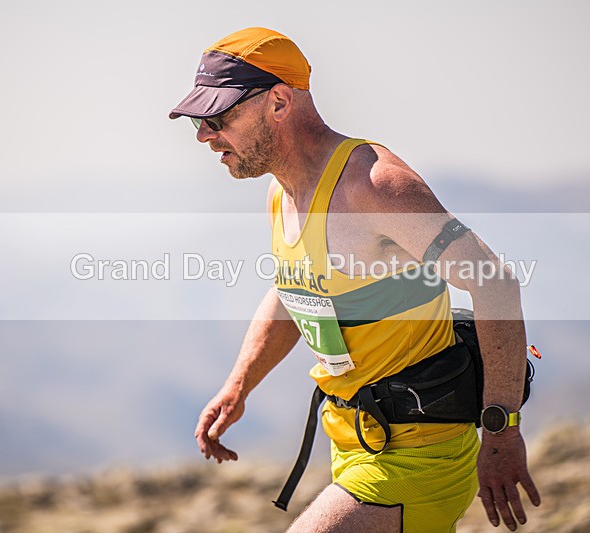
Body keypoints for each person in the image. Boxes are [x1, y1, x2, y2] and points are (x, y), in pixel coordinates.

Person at [169, 27, 540, 533]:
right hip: (353, 444)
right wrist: (238, 387)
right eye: (199, 120)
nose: (204, 136)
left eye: (219, 117)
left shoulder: (374, 186)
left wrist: (501, 433)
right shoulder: (285, 192)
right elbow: (293, 291)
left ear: (279, 101)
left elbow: (494, 283)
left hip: (421, 452)